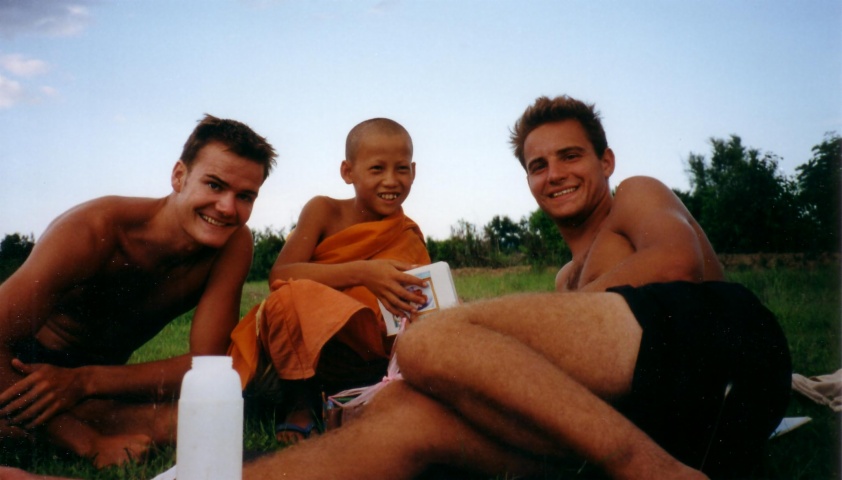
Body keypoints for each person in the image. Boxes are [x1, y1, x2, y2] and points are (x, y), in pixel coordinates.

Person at [239, 96, 790, 480]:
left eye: (570, 156)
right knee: (402, 414)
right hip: (654, 418)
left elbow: (676, 262)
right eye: (537, 165)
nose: (554, 174)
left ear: (606, 161)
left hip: (723, 358)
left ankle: (651, 471)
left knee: (431, 340)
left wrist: (495, 333)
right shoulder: (567, 278)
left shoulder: (634, 196)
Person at [0, 114, 276, 468]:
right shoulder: (94, 229)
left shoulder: (232, 244)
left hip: (91, 382)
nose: (227, 208)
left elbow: (209, 364)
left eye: (245, 196)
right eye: (214, 185)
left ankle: (53, 421)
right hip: (20, 367)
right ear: (179, 176)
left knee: (191, 421)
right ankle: (48, 427)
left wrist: (85, 381)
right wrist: (88, 442)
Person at [228, 117, 431, 443]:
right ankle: (300, 402)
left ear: (414, 171)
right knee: (288, 297)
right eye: (377, 169)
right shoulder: (324, 210)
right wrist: (364, 273)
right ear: (347, 172)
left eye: (402, 169)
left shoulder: (407, 234)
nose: (391, 181)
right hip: (314, 348)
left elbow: (418, 303)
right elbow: (281, 273)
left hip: (370, 357)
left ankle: (363, 395)